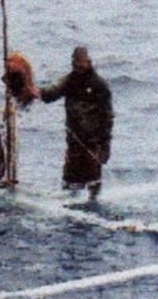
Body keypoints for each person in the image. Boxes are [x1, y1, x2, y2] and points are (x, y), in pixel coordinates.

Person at [37, 46, 114, 194]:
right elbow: (50, 94)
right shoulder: (69, 81)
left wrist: (105, 146)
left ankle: (93, 204)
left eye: (80, 65)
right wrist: (35, 91)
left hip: (93, 144)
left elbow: (108, 117)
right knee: (69, 184)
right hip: (74, 142)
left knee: (93, 184)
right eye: (74, 65)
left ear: (88, 63)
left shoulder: (100, 85)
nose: (77, 68)